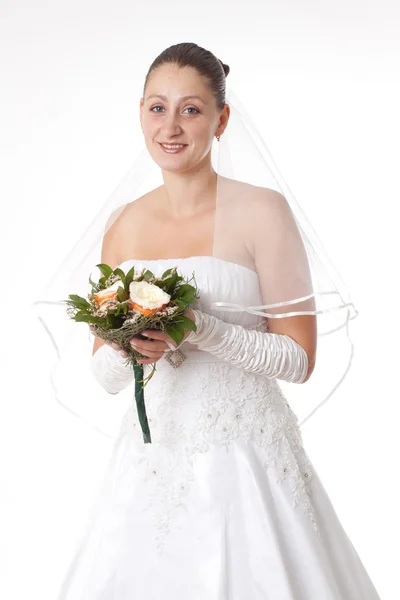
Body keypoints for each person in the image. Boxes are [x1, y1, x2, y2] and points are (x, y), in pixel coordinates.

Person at [54, 42, 381, 599]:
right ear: (140, 113)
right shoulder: (123, 226)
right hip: (151, 465)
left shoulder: (262, 210)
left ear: (221, 118)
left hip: (246, 457)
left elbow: (299, 360)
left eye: (191, 108)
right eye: (158, 108)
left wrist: (200, 329)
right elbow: (104, 375)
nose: (171, 126)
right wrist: (129, 348)